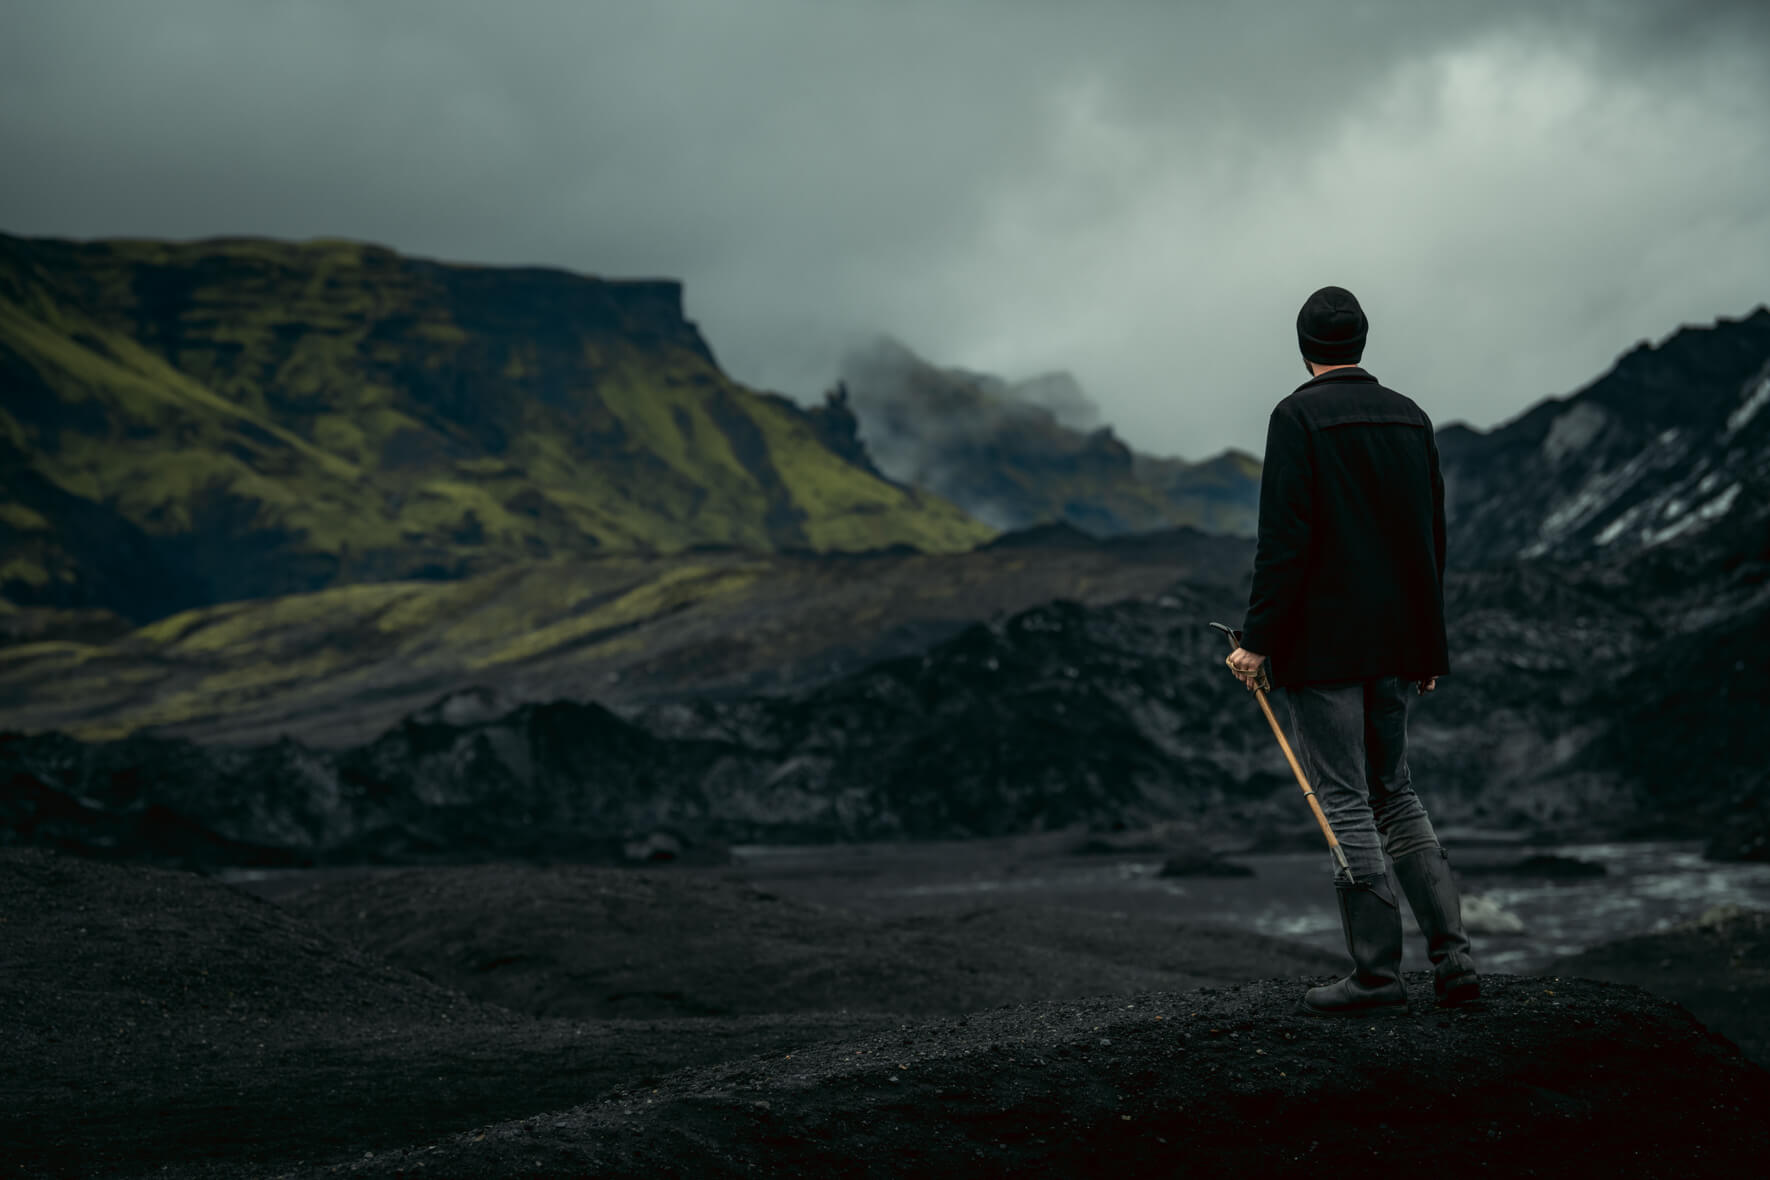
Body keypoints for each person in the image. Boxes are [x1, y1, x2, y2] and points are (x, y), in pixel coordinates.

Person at [1226, 286, 1479, 1016]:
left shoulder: (1295, 417)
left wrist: (1258, 644)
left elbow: (1285, 543)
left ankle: (1375, 977)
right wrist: (1428, 646)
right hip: (1398, 644)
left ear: (1304, 345)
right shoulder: (1411, 418)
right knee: (1394, 790)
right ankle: (1453, 959)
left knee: (1344, 801)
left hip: (1325, 649)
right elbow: (1430, 539)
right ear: (1361, 342)